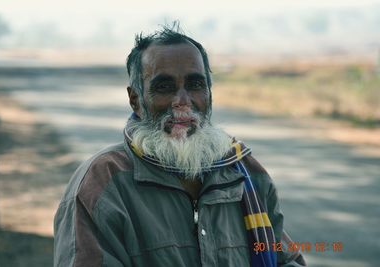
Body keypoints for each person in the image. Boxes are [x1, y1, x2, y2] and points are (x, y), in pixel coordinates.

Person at [54, 24, 307, 267]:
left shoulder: (244, 173)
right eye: (164, 87)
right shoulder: (102, 183)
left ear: (209, 94)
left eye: (196, 85)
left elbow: (284, 259)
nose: (183, 101)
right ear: (135, 100)